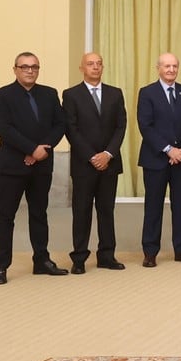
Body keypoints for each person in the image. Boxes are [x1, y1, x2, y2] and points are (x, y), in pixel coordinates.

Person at [0, 52, 68, 285]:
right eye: (24, 67)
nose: (30, 71)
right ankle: (1, 267)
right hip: (12, 166)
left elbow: (60, 124)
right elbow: (5, 129)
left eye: (34, 67)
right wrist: (31, 149)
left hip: (41, 165)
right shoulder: (2, 95)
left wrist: (42, 150)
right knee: (6, 216)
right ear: (15, 69)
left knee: (39, 214)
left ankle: (41, 261)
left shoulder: (49, 94)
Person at [62, 51, 126, 273]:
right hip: (84, 164)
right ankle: (79, 258)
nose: (95, 67)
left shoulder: (115, 93)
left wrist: (107, 154)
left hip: (109, 163)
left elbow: (121, 126)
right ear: (82, 68)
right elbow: (72, 130)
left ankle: (107, 255)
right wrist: (92, 156)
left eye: (99, 63)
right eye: (90, 64)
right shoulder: (71, 95)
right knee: (82, 211)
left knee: (106, 210)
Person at [135, 53, 181, 267]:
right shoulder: (147, 93)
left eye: (175, 66)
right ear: (158, 68)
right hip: (156, 159)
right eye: (167, 66)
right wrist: (168, 149)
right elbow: (146, 126)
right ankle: (150, 252)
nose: (171, 70)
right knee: (153, 206)